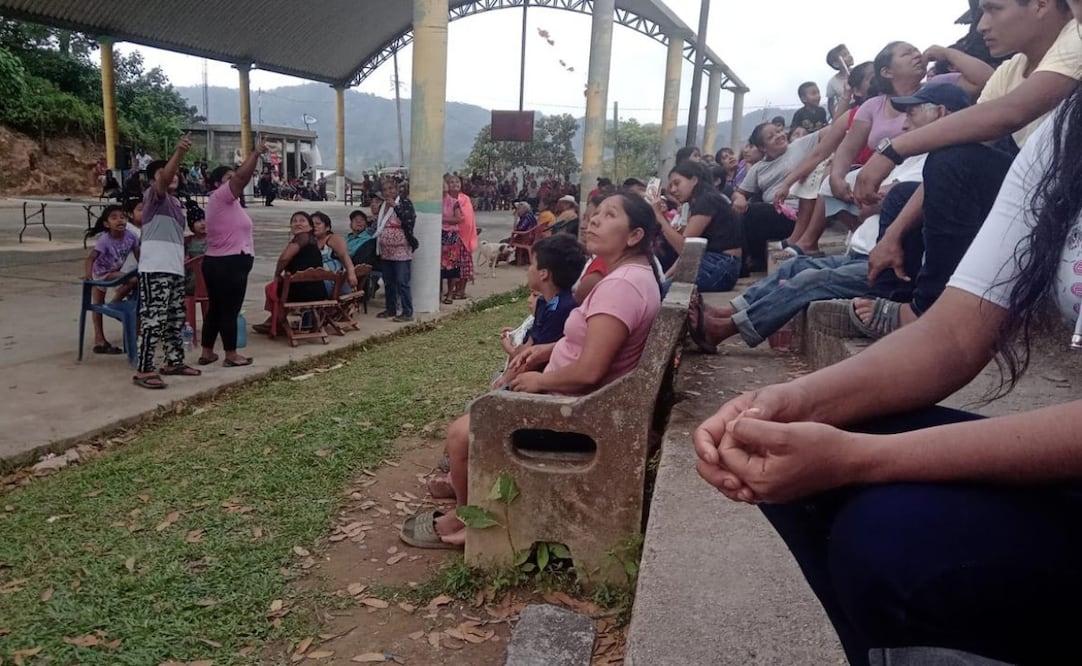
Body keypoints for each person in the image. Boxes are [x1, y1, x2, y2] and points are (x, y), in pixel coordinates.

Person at [694, 12, 1082, 656]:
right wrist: (791, 404)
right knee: (775, 451)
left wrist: (864, 459)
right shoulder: (1064, 132)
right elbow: (953, 335)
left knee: (889, 533)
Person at [400, 192, 663, 549]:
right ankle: (469, 500)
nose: (596, 220)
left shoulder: (621, 286)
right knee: (479, 413)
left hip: (577, 415)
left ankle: (470, 519)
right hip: (584, 402)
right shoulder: (631, 276)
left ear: (634, 236)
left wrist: (540, 380)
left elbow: (589, 370)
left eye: (610, 215)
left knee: (463, 432)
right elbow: (597, 343)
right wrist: (547, 348)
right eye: (597, 212)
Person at [846, 2, 1081, 336]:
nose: (982, 25)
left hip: (1065, 209)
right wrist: (894, 234)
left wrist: (891, 150)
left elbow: (1010, 113)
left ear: (1041, 4)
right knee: (906, 197)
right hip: (1033, 198)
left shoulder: (1076, 38)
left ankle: (929, 311)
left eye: (994, 9)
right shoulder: (1012, 69)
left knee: (952, 162)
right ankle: (893, 296)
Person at [687, 85, 965, 352]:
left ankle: (723, 329)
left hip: (891, 270)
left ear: (940, 113)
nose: (904, 123)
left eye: (913, 113)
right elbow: (867, 200)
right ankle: (728, 312)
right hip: (864, 254)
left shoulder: (944, 165)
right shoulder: (915, 159)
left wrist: (878, 198)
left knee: (810, 280)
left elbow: (876, 202)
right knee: (792, 268)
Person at [133, 137, 198, 390]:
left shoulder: (176, 204)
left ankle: (174, 361)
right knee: (153, 319)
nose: (172, 176)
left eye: (174, 173)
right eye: (165, 172)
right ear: (153, 180)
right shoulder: (153, 196)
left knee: (174, 318)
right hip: (155, 268)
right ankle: (144, 369)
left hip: (173, 268)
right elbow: (162, 180)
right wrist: (179, 152)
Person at [657, 160, 743, 293]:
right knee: (659, 289)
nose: (673, 190)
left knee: (659, 293)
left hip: (720, 266)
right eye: (671, 185)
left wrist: (658, 216)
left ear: (694, 180)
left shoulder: (707, 200)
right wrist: (665, 277)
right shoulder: (702, 200)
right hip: (717, 264)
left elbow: (685, 249)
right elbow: (689, 254)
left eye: (677, 183)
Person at [253, 212, 327, 335]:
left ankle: (276, 321)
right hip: (318, 291)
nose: (298, 223)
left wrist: (277, 274)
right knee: (278, 287)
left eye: (302, 220)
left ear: (310, 226)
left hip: (301, 292)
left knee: (272, 288)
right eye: (294, 221)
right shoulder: (312, 241)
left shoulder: (302, 237)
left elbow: (284, 258)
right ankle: (274, 321)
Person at [83, 205, 139, 355]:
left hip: (115, 270)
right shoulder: (104, 240)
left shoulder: (131, 236)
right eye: (114, 218)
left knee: (134, 279)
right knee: (98, 304)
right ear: (107, 224)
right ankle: (99, 337)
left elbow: (138, 254)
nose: (119, 220)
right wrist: (89, 274)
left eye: (122, 217)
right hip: (101, 273)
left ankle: (115, 303)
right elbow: (91, 258)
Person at [373, 177, 418, 322]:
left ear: (397, 189)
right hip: (386, 250)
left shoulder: (404, 202)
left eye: (391, 189)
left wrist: (396, 207)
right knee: (388, 280)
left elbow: (409, 220)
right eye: (385, 190)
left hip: (401, 249)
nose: (388, 192)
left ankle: (407, 311)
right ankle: (390, 308)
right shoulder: (383, 206)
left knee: (402, 281)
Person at [441, 175, 476, 302]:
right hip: (450, 235)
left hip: (463, 235)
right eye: (451, 182)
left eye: (457, 181)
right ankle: (454, 289)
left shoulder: (464, 199)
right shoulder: (445, 200)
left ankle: (461, 290)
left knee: (464, 263)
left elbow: (466, 218)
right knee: (454, 264)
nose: (455, 183)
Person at [311, 211, 359, 297]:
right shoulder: (309, 242)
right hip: (317, 280)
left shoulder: (333, 239)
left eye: (318, 223)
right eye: (311, 224)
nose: (314, 226)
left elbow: (345, 257)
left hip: (335, 282)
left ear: (327, 227)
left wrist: (351, 274)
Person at [825, 44, 856, 118]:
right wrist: (835, 119)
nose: (849, 56)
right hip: (845, 114)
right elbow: (830, 104)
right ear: (836, 64)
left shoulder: (859, 72)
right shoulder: (832, 82)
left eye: (849, 53)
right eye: (845, 55)